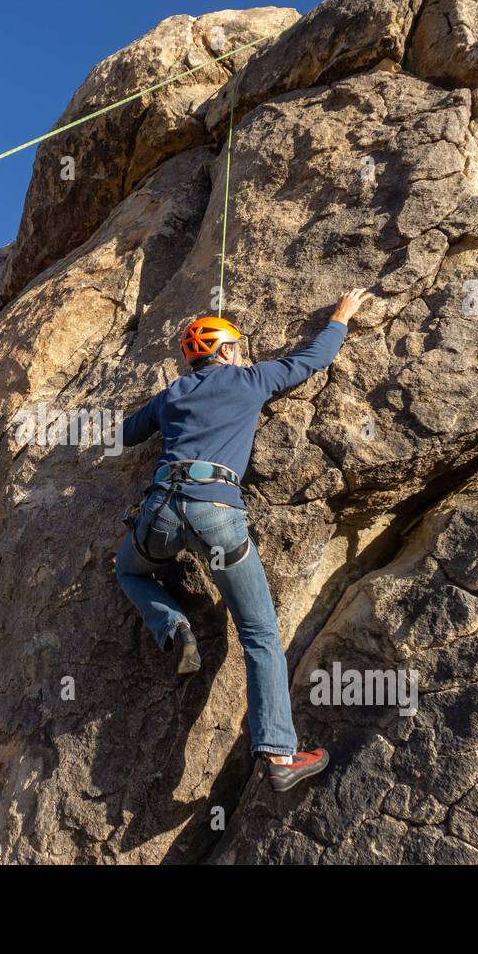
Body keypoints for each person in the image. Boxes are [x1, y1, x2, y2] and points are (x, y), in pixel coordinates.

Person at [114, 289, 370, 792]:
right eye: (240, 346)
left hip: (161, 513)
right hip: (217, 517)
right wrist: (340, 317)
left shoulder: (172, 395)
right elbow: (311, 361)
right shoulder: (251, 380)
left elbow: (124, 435)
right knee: (259, 634)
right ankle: (278, 753)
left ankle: (173, 627)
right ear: (227, 351)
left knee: (128, 569)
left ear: (193, 359)